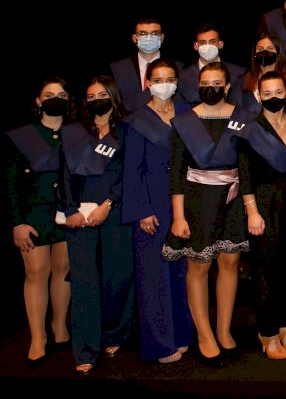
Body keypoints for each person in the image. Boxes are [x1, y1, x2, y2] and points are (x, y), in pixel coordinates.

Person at [163, 62, 253, 365]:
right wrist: (178, 217)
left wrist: (249, 206)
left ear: (227, 87)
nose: (210, 88)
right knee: (199, 265)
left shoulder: (242, 119)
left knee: (230, 262)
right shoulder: (184, 122)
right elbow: (176, 173)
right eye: (205, 84)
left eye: (216, 83)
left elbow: (246, 166)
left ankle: (223, 330)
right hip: (196, 200)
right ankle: (204, 334)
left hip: (232, 198)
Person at [59, 76, 134, 373]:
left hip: (114, 212)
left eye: (102, 95)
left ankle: (115, 334)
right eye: (90, 97)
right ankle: (85, 351)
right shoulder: (74, 133)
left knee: (118, 276)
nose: (96, 100)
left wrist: (109, 204)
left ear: (113, 97)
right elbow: (64, 174)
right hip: (79, 216)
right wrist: (70, 210)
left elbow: (131, 173)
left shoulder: (126, 132)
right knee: (84, 283)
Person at [123, 59, 194, 363]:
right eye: (158, 79)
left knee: (181, 271)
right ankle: (159, 344)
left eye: (170, 79)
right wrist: (142, 210)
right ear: (148, 83)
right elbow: (131, 170)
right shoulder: (137, 120)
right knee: (154, 276)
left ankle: (182, 334)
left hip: (184, 203)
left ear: (177, 81)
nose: (164, 84)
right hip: (151, 204)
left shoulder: (188, 113)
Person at [237, 71, 286, 360]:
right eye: (267, 93)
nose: (274, 97)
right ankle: (267, 332)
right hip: (263, 205)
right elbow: (244, 175)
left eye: (279, 92)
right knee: (265, 271)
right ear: (258, 96)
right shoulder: (250, 129)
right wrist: (252, 211)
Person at [6, 77, 73, 368]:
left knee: (63, 270)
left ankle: (59, 326)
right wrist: (17, 222)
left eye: (61, 94)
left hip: (67, 213)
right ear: (38, 101)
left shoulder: (77, 134)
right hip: (33, 214)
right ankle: (37, 338)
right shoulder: (23, 136)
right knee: (36, 273)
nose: (55, 99)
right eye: (49, 94)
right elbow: (10, 182)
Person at [111, 17, 180, 108]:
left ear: (162, 37)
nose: (149, 38)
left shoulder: (178, 67)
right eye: (143, 33)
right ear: (134, 38)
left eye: (154, 33)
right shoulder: (118, 69)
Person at [240, 33, 286, 117]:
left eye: (270, 49)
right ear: (254, 54)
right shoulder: (243, 82)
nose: (264, 52)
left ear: (278, 53)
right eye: (260, 49)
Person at [179, 23, 246, 107]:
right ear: (196, 46)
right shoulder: (183, 77)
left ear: (220, 44)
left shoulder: (239, 74)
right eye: (202, 42)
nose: (207, 46)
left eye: (212, 42)